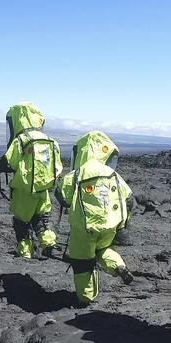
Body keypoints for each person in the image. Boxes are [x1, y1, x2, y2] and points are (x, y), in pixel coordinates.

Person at [55, 130, 136, 304]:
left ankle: (86, 298)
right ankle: (119, 266)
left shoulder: (78, 174)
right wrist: (123, 226)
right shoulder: (113, 174)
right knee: (103, 250)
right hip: (109, 227)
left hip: (85, 229)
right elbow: (129, 198)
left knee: (83, 262)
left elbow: (62, 195)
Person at [0, 102, 62, 258]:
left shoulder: (22, 140)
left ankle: (25, 253)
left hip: (24, 189)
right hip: (43, 189)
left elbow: (9, 162)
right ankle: (48, 243)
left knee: (22, 222)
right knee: (42, 218)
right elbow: (57, 167)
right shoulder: (50, 141)